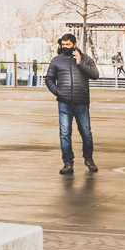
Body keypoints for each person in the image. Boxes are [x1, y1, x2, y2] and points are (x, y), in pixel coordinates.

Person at [45, 33, 99, 175]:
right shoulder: (57, 60)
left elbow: (95, 75)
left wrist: (80, 62)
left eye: (68, 45)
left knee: (86, 133)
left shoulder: (86, 59)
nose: (65, 47)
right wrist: (57, 91)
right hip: (64, 103)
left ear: (74, 45)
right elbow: (49, 78)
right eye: (63, 45)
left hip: (81, 102)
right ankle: (68, 163)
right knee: (65, 134)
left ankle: (89, 159)